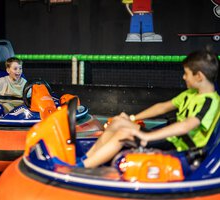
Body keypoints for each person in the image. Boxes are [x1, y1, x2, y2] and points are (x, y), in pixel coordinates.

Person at [78, 49, 220, 168]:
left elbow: (185, 126)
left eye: (186, 73)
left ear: (199, 76)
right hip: (170, 138)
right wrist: (132, 118)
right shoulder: (191, 94)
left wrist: (147, 136)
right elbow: (162, 107)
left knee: (123, 134)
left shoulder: (210, 101)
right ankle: (84, 159)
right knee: (118, 122)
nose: (184, 77)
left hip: (180, 148)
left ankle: (82, 168)